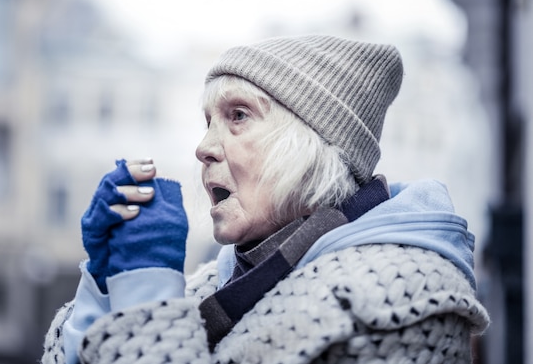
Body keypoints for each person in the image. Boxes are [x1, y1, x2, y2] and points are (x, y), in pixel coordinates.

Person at [41, 35, 490, 364]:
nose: (204, 147)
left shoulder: (404, 299)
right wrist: (106, 284)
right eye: (208, 121)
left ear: (312, 144)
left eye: (237, 116)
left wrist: (146, 294)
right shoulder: (215, 285)